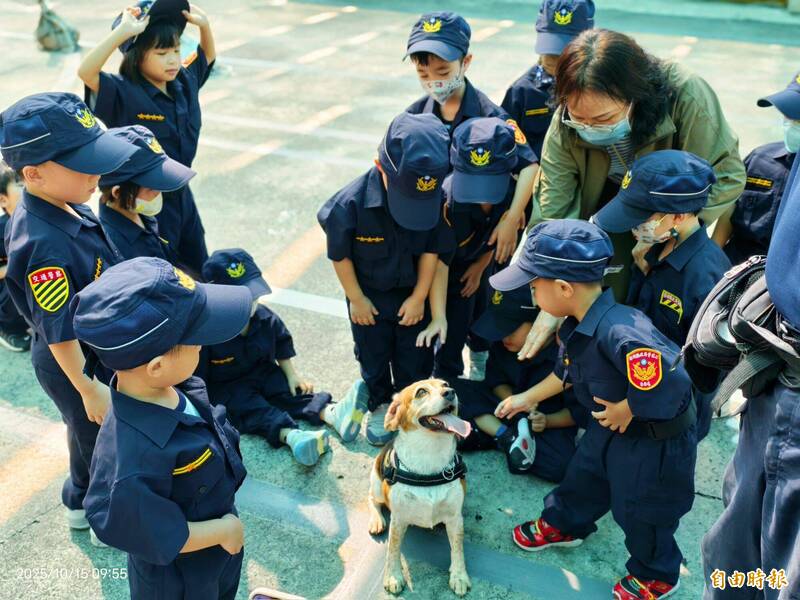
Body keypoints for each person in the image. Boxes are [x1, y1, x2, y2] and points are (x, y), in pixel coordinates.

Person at [492, 219, 697, 600]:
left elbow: (673, 380)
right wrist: (528, 397)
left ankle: (657, 573)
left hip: (653, 442)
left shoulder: (622, 331)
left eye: (534, 285)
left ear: (564, 288)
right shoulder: (577, 324)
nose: (531, 292)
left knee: (642, 510)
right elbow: (568, 372)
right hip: (609, 427)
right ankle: (565, 522)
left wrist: (628, 408)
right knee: (584, 476)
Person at [519, 28, 746, 365]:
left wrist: (673, 228)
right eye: (580, 119)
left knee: (660, 304)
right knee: (605, 296)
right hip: (608, 208)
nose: (591, 128)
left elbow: (726, 174)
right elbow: (554, 207)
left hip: (667, 210)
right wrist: (555, 285)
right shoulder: (566, 120)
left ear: (636, 96)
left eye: (604, 119)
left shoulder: (685, 94)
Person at [74, 257, 251, 600]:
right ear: (156, 367)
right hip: (180, 579)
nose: (202, 345)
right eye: (196, 339)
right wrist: (222, 530)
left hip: (217, 551)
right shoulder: (133, 455)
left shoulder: (175, 386)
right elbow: (147, 531)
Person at [0, 92, 137, 533]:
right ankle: (99, 514)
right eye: (83, 165)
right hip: (73, 362)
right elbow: (59, 331)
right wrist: (88, 387)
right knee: (98, 439)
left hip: (88, 350)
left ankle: (80, 498)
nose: (97, 174)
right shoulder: (44, 244)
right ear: (34, 174)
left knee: (87, 432)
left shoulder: (64, 200)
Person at [701, 85, 800, 600]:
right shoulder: (771, 160)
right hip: (773, 364)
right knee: (738, 531)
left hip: (793, 385)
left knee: (782, 554)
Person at [317, 112, 454, 446]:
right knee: (372, 355)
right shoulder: (348, 204)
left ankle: (412, 406)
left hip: (412, 294)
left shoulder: (434, 198)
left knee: (415, 357)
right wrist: (357, 299)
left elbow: (431, 250)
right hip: (369, 297)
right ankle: (379, 403)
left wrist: (419, 297)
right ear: (381, 166)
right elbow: (339, 255)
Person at [592, 150, 730, 440]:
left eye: (641, 217)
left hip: (669, 420)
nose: (633, 226)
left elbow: (700, 369)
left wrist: (633, 405)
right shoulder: (655, 246)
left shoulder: (706, 277)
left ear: (677, 216)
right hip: (638, 386)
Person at [77, 0, 215, 274]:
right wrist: (122, 33)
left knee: (199, 264)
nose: (173, 59)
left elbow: (207, 58)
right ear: (137, 56)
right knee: (160, 272)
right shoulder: (122, 92)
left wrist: (205, 26)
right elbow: (86, 72)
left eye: (176, 50)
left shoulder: (183, 82)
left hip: (181, 191)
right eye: (162, 53)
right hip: (144, 198)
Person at [202, 249, 368, 466]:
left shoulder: (264, 317)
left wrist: (292, 375)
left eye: (254, 296)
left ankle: (331, 413)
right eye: (244, 298)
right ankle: (294, 437)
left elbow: (281, 343)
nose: (252, 302)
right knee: (254, 409)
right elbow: (197, 377)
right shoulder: (208, 333)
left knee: (287, 390)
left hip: (263, 371)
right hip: (230, 387)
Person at [404, 11, 539, 268]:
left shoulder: (491, 117)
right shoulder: (414, 116)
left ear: (466, 62)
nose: (434, 82)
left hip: (479, 234)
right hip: (434, 235)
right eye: (423, 74)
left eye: (443, 71)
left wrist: (512, 217)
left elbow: (530, 167)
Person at [451, 283, 584, 482]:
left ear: (539, 322)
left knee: (561, 466)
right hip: (506, 408)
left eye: (510, 330)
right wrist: (516, 403)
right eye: (499, 329)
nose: (503, 336)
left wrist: (546, 420)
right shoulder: (503, 344)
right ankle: (505, 437)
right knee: (452, 389)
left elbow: (578, 412)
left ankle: (490, 435)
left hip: (541, 419)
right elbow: (496, 382)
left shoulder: (565, 354)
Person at [431, 117, 525, 380]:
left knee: (484, 312)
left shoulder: (516, 195)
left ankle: (481, 362)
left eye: (491, 182)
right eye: (474, 181)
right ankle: (446, 377)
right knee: (451, 326)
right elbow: (438, 262)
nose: (482, 195)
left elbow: (496, 239)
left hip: (481, 262)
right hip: (445, 270)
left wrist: (480, 266)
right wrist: (438, 315)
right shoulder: (448, 200)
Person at [713, 71, 800, 264]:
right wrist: (713, 256)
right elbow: (730, 212)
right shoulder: (761, 159)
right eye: (787, 115)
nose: (790, 124)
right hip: (733, 267)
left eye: (798, 119)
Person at [501, 0, 595, 161]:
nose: (553, 59)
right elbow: (505, 142)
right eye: (549, 49)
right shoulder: (522, 91)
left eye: (564, 52)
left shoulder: (599, 87)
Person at [97, 125, 195, 268]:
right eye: (151, 188)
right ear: (117, 193)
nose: (159, 192)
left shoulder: (140, 214)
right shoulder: (113, 247)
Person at [0, 162, 30, 352]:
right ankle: (8, 328)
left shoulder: (35, 219)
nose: (27, 187)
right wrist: (17, 264)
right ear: (3, 200)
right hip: (5, 293)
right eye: (20, 184)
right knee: (19, 276)